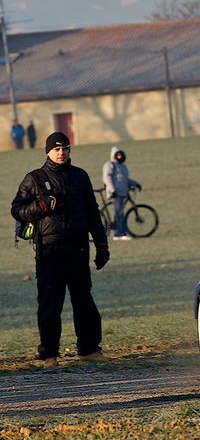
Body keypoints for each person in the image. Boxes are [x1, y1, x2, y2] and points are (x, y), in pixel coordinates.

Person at [10, 132, 108, 368]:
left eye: (65, 148)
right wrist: (40, 206)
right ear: (48, 152)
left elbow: (93, 213)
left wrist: (102, 245)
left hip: (79, 247)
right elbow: (17, 209)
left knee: (83, 300)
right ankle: (49, 355)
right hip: (49, 249)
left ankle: (89, 349)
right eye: (56, 149)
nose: (61, 152)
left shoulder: (80, 176)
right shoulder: (34, 178)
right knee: (50, 302)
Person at [102, 147, 140, 242]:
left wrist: (135, 184)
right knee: (119, 214)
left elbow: (125, 180)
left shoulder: (122, 166)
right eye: (117, 154)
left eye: (120, 154)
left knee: (119, 213)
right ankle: (119, 234)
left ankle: (120, 230)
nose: (119, 156)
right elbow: (106, 177)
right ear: (114, 155)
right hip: (115, 193)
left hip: (123, 192)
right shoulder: (110, 164)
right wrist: (112, 189)